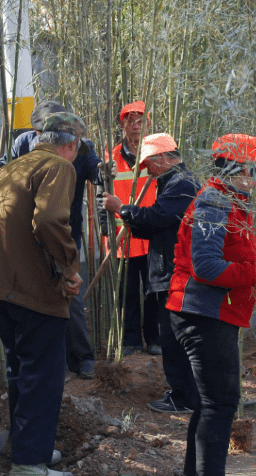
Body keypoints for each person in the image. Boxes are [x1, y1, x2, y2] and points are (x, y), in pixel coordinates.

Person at [165, 134, 256, 476]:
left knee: (212, 405)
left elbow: (231, 261)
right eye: (255, 171)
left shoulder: (232, 201)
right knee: (219, 405)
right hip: (203, 315)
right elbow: (205, 267)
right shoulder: (215, 201)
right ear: (240, 168)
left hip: (214, 313)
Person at [0, 112, 89, 476]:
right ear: (70, 146)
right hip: (32, 291)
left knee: (21, 370)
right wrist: (70, 267)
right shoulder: (58, 167)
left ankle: (29, 449)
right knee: (43, 374)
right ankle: (28, 464)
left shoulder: (10, 169)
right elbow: (48, 221)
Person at [0, 100, 102, 379]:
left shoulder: (79, 147)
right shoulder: (23, 142)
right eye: (41, 129)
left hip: (63, 232)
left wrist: (102, 172)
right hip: (27, 238)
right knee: (18, 306)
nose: (44, 135)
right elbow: (4, 169)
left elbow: (94, 169)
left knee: (67, 297)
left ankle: (82, 357)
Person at [99, 133, 199, 414]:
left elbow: (157, 217)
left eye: (149, 164)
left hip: (176, 272)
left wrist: (122, 209)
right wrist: (129, 218)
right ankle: (185, 392)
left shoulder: (181, 185)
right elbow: (154, 223)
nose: (146, 171)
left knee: (175, 338)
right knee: (173, 336)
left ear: (164, 159)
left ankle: (184, 397)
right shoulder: (174, 182)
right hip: (170, 269)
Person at [97, 100, 160, 357]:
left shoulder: (157, 154)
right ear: (122, 125)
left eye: (140, 121)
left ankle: (155, 340)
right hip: (123, 238)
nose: (135, 127)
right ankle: (131, 341)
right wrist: (106, 230)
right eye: (129, 121)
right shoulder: (110, 158)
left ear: (148, 123)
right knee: (127, 293)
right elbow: (102, 197)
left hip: (152, 234)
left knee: (155, 291)